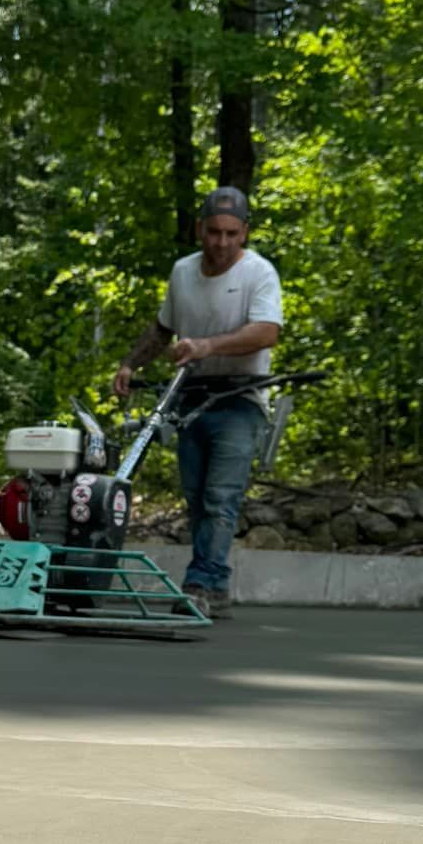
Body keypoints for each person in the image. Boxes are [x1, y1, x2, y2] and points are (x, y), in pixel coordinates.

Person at [113, 186, 281, 618]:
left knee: (220, 496)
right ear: (199, 230)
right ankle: (216, 584)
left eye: (230, 234)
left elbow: (266, 331)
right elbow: (162, 328)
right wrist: (130, 364)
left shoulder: (259, 274)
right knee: (196, 497)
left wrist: (208, 346)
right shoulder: (183, 272)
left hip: (239, 399)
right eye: (213, 233)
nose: (221, 243)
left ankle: (200, 584)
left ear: (244, 232)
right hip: (189, 398)